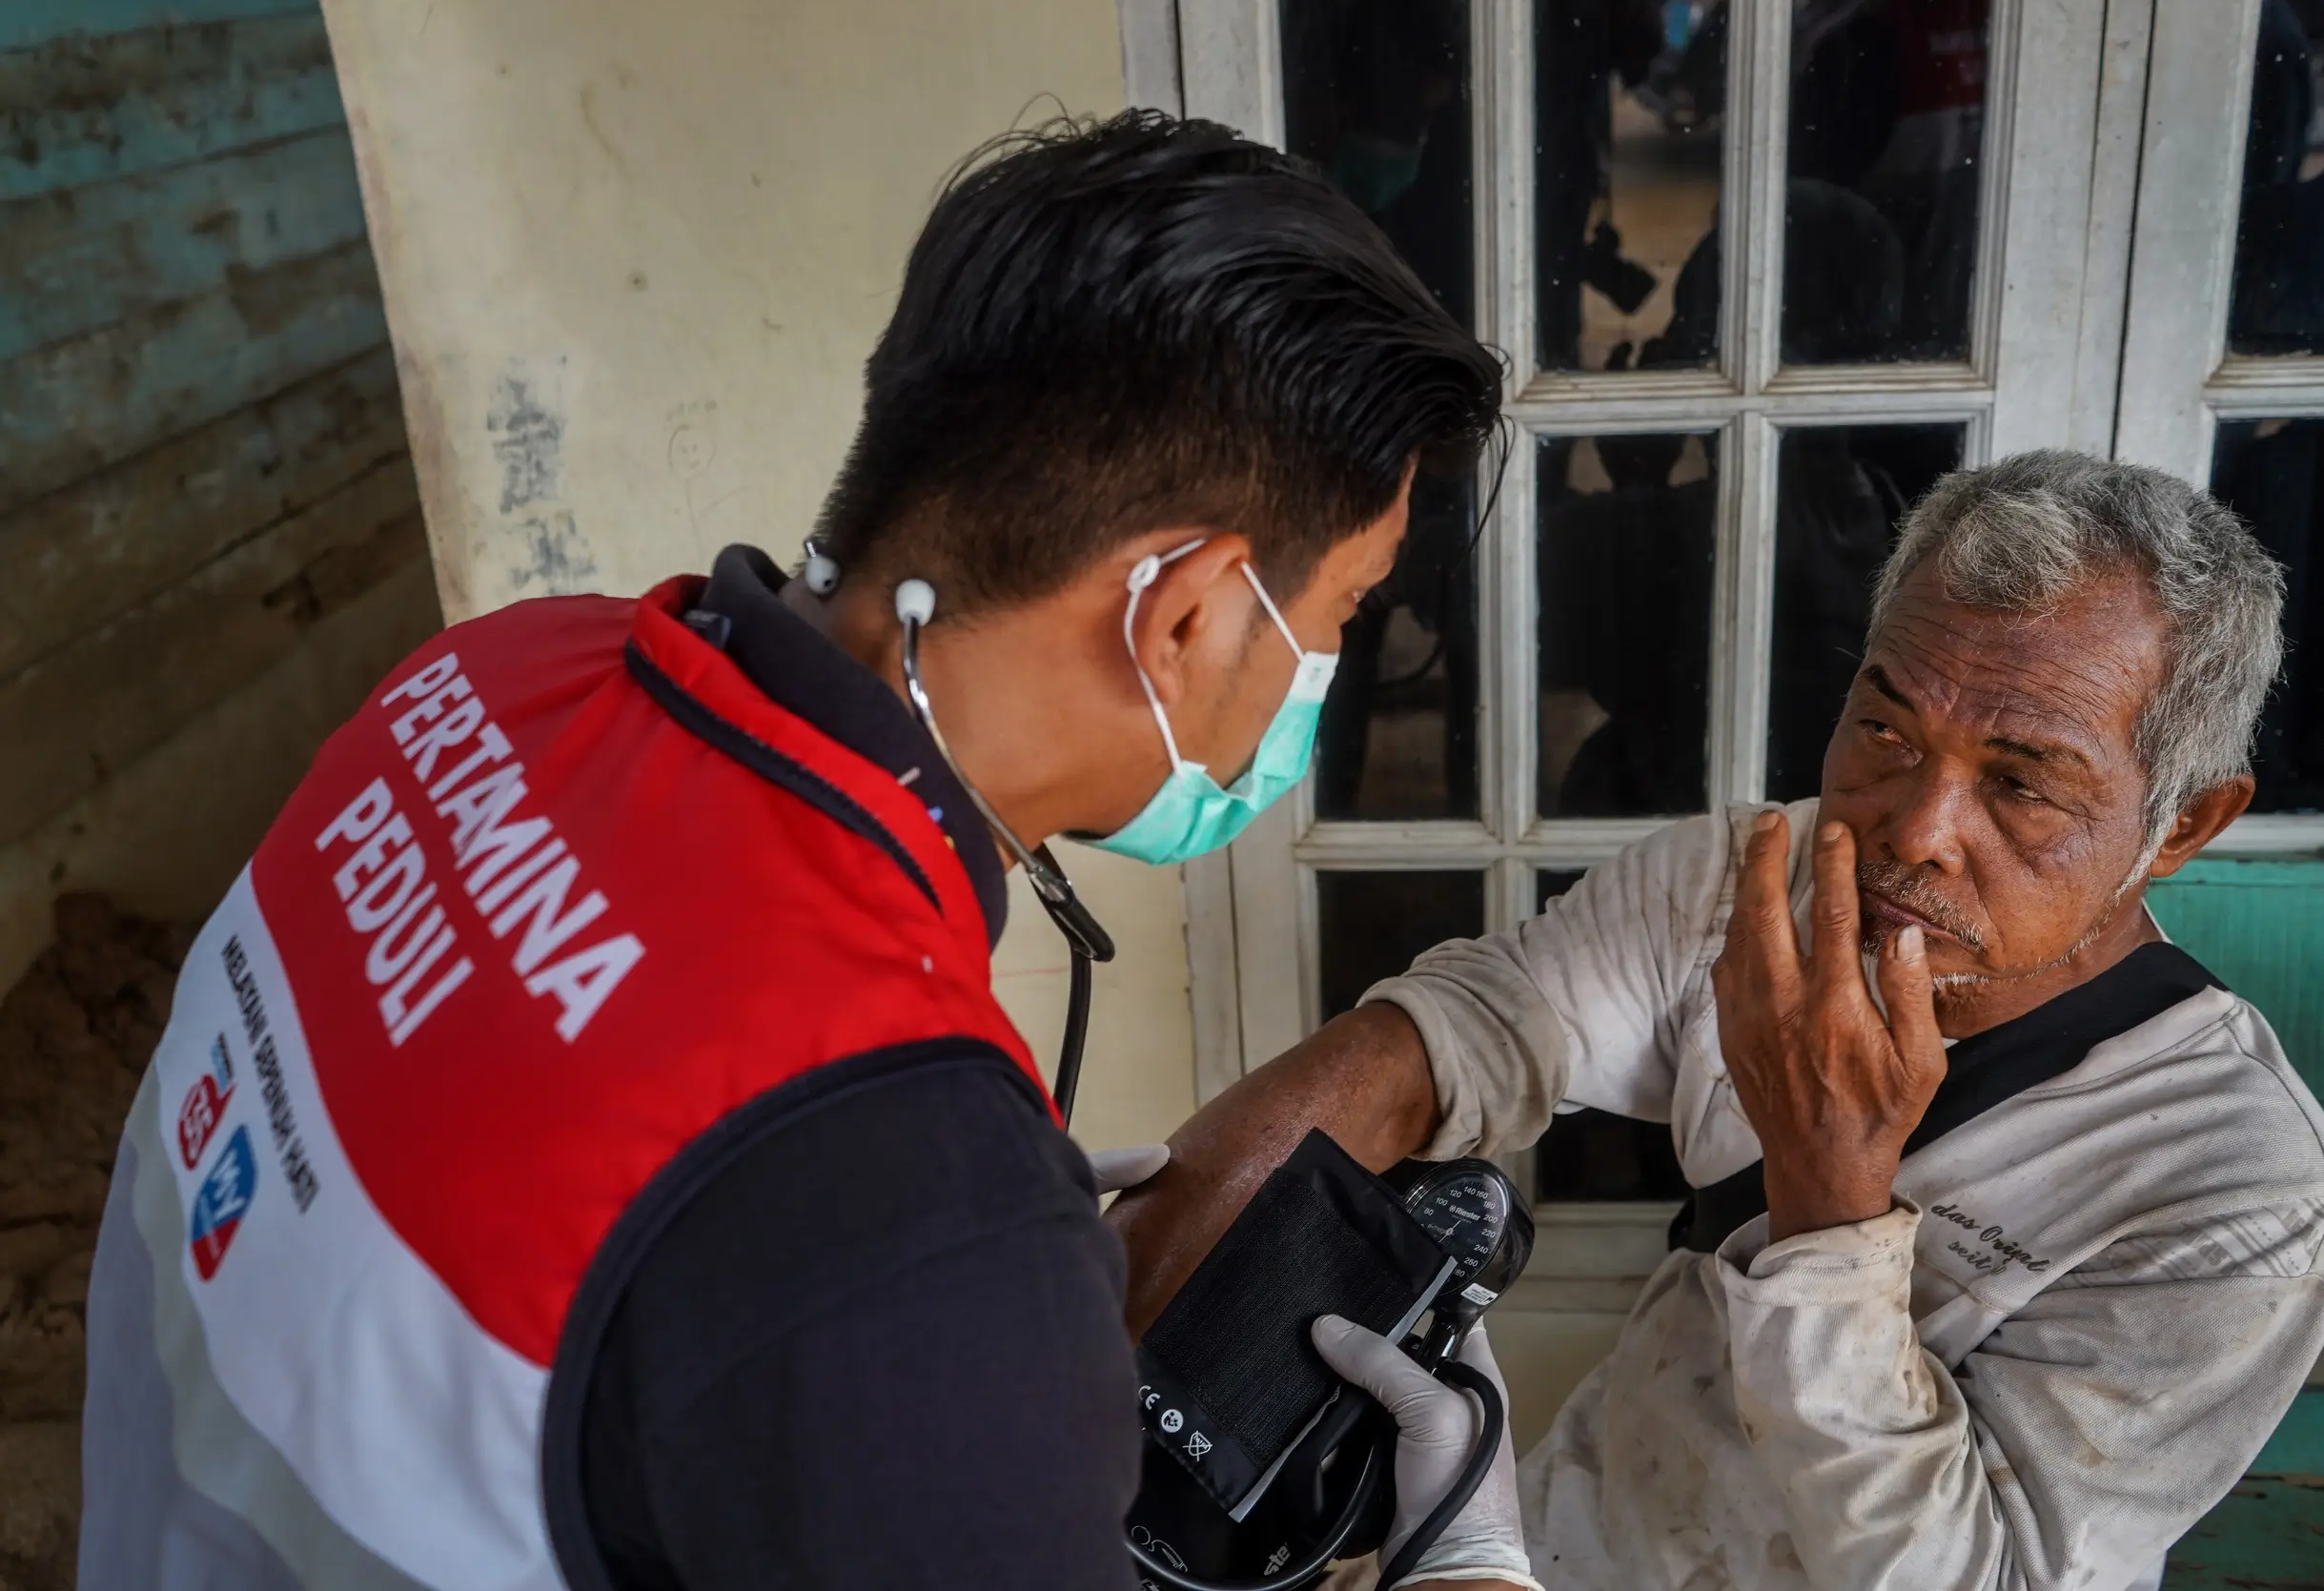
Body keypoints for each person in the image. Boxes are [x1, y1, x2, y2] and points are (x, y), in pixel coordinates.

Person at [77, 112, 1534, 1591]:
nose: (1323, 672)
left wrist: (889, 1272)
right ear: (1187, 613)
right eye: (1342, 611)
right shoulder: (914, 1221)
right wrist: (1464, 1562)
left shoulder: (495, 675)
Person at [1111, 450, 2324, 1590]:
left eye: (2023, 780)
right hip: (1558, 1550)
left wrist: (1831, 1204)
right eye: (1884, 727)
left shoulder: (2240, 1190)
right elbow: (1460, 1037)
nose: (1911, 830)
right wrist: (1093, 1327)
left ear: (2182, 823)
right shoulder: (1758, 887)